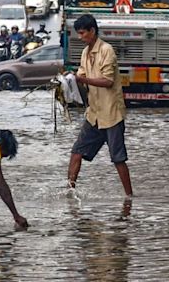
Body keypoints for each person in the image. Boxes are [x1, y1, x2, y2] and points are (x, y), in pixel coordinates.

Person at [67, 14, 133, 198]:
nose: (80, 37)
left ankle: (129, 196)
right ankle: (70, 192)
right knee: (76, 152)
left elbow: (108, 81)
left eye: (82, 33)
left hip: (111, 113)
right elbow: (80, 80)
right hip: (94, 114)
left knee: (118, 159)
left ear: (92, 31)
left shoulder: (106, 50)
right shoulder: (85, 53)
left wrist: (82, 79)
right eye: (78, 34)